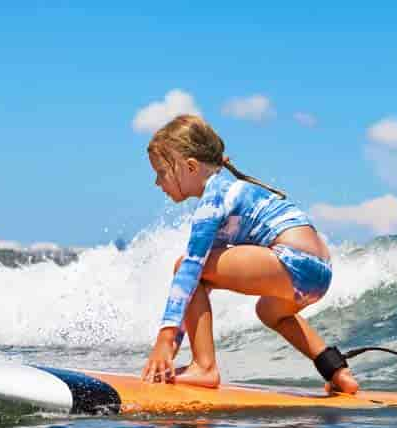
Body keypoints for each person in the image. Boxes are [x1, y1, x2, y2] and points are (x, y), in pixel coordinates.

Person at [140, 115, 359, 395]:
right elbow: (192, 291)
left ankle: (205, 367)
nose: (157, 182)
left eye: (161, 172)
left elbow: (190, 272)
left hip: (291, 259)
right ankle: (337, 371)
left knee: (186, 265)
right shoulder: (231, 192)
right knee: (269, 312)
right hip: (319, 271)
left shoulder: (214, 199)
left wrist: (166, 337)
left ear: (190, 167)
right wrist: (169, 350)